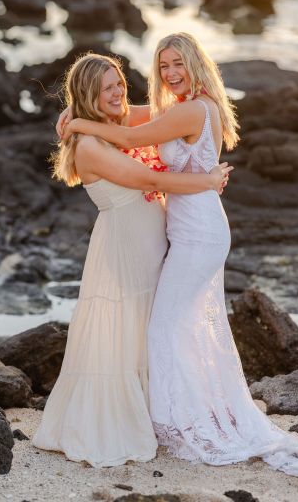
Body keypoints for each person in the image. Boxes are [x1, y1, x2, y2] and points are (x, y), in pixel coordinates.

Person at [61, 33, 298, 477]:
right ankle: (182, 415)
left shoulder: (191, 109)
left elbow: (128, 134)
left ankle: (181, 423)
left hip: (198, 230)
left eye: (178, 63)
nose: (170, 73)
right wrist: (74, 112)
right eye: (163, 65)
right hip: (187, 228)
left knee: (165, 327)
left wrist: (80, 124)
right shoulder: (182, 107)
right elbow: (126, 118)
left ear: (197, 64)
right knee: (179, 327)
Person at [33, 52, 231, 468]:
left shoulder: (112, 122)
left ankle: (158, 411)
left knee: (147, 328)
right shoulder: (89, 144)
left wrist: (76, 110)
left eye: (120, 82)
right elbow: (151, 179)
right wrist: (207, 181)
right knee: (124, 332)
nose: (119, 91)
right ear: (92, 94)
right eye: (108, 87)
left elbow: (155, 113)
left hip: (150, 242)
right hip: (124, 246)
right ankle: (120, 421)